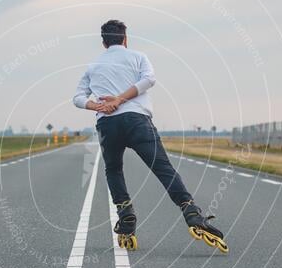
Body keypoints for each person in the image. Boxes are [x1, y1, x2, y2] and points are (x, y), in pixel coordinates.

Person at [72, 19, 227, 253]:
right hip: (137, 121)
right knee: (163, 169)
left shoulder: (93, 66)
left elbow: (77, 98)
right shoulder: (137, 56)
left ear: (103, 42)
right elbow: (149, 80)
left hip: (108, 125)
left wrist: (99, 105)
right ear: (125, 39)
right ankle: (191, 212)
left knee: (113, 169)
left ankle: (126, 217)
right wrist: (122, 99)